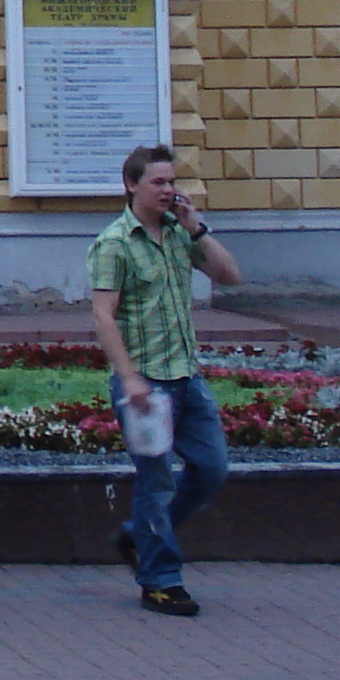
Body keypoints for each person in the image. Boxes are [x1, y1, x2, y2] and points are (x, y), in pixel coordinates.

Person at [90, 144, 244, 618]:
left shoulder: (180, 234)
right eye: (158, 182)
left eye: (171, 182)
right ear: (132, 185)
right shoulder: (114, 243)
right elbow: (103, 316)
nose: (168, 190)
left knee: (212, 469)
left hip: (186, 376)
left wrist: (197, 225)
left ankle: (141, 537)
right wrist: (129, 378)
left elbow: (230, 276)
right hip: (146, 385)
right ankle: (161, 580)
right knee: (155, 483)